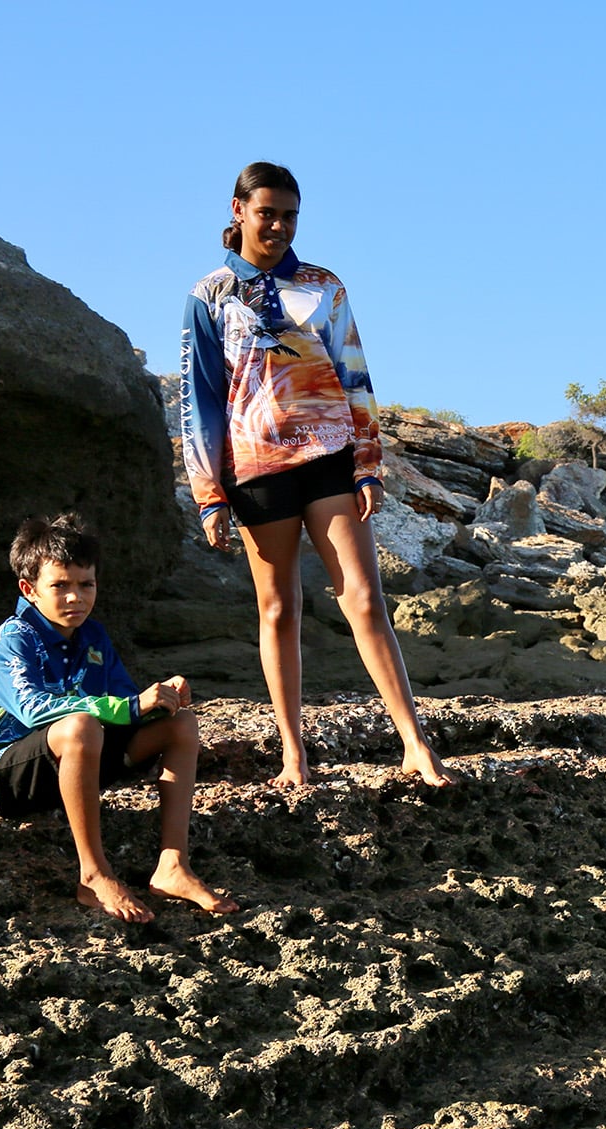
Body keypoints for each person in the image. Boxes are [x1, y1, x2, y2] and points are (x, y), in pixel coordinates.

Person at [179, 161, 451, 788]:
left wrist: (368, 463)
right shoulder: (208, 295)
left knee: (363, 597)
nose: (277, 225)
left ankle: (413, 742)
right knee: (278, 610)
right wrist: (208, 494)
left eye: (289, 215)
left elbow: (355, 374)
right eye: (266, 212)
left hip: (329, 455)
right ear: (238, 210)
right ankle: (293, 754)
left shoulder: (324, 287)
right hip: (255, 469)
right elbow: (200, 398)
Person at [0, 515, 237, 923]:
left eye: (85, 585)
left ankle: (173, 865)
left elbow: (124, 700)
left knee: (181, 724)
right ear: (29, 589)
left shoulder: (94, 637)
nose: (75, 597)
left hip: (78, 763)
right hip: (5, 776)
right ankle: (92, 875)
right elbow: (34, 710)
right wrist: (127, 708)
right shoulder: (12, 642)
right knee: (80, 725)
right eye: (59, 586)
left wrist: (160, 700)